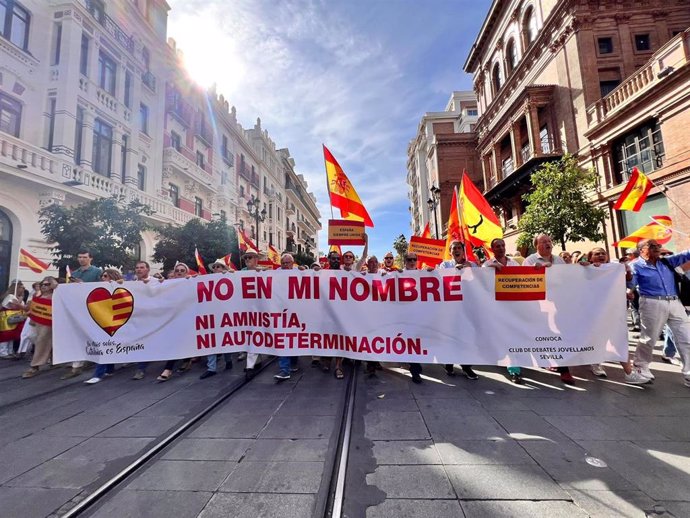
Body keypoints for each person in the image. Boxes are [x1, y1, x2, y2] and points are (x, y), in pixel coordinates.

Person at [628, 239, 690, 386]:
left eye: (658, 246)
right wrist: (628, 289)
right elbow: (630, 283)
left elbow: (687, 254)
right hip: (651, 302)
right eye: (653, 246)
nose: (658, 248)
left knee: (686, 337)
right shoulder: (635, 265)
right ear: (641, 250)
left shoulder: (667, 262)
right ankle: (640, 368)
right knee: (649, 338)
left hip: (675, 302)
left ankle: (689, 373)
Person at [523, 234, 576, 385]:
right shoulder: (530, 260)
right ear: (536, 246)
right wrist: (537, 271)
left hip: (559, 303)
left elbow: (568, 278)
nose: (548, 244)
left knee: (559, 333)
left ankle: (564, 369)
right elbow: (524, 280)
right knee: (545, 333)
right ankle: (548, 360)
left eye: (549, 241)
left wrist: (583, 268)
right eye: (543, 242)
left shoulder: (559, 260)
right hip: (540, 304)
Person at [483, 238, 524, 384]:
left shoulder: (514, 263)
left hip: (513, 307)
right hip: (496, 308)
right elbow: (479, 282)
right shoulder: (487, 264)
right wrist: (490, 269)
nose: (501, 248)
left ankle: (514, 369)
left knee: (511, 337)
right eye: (497, 246)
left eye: (502, 245)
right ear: (492, 249)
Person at [439, 241, 479, 380]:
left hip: (467, 307)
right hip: (451, 308)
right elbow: (440, 278)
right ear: (450, 252)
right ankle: (449, 364)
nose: (456, 250)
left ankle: (466, 366)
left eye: (459, 248)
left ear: (463, 250)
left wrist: (471, 269)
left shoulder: (472, 265)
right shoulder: (445, 265)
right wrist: (454, 271)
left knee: (466, 336)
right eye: (453, 248)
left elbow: (481, 280)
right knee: (451, 335)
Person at [62, 250, 103, 379]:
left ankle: (87, 360)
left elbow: (101, 288)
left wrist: (83, 285)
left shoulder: (97, 272)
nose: (81, 259)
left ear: (90, 258)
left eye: (84, 257)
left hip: (92, 307)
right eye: (79, 257)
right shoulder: (74, 273)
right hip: (78, 307)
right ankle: (78, 363)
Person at [84, 269, 125, 384]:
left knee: (104, 348)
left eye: (106, 276)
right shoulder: (98, 288)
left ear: (112, 277)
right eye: (102, 276)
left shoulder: (118, 287)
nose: (103, 278)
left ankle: (98, 374)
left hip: (115, 322)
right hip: (103, 322)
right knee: (106, 347)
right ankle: (109, 369)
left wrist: (118, 282)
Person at [156, 263, 194, 381]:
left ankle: (168, 369)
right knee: (176, 342)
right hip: (172, 318)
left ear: (186, 273)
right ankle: (186, 362)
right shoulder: (168, 285)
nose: (179, 272)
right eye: (177, 270)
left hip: (187, 318)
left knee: (180, 342)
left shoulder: (191, 282)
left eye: (182, 270)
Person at [22, 277, 58, 378]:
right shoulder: (38, 295)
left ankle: (35, 366)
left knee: (41, 341)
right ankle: (51, 354)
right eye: (42, 284)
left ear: (52, 285)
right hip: (35, 322)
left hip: (47, 323)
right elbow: (33, 308)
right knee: (31, 336)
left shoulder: (55, 296)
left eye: (47, 284)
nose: (43, 286)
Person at [274, 254, 301, 381]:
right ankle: (284, 370)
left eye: (287, 263)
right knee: (284, 340)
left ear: (293, 263)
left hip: (296, 312)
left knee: (294, 339)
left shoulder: (299, 272)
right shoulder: (276, 273)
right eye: (283, 263)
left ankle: (293, 363)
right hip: (281, 312)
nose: (285, 266)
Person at [242, 250, 264, 377]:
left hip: (259, 309)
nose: (247, 260)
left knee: (254, 334)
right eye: (246, 258)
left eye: (249, 257)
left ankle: (249, 366)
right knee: (252, 335)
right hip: (245, 309)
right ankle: (257, 360)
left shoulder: (263, 272)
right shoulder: (239, 273)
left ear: (256, 259)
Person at [131, 261, 153, 380]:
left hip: (153, 318)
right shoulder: (131, 284)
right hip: (137, 319)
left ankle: (142, 368)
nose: (139, 270)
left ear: (148, 269)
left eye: (142, 268)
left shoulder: (156, 281)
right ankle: (140, 367)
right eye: (137, 268)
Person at [0, 280, 28, 358]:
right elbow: (14, 306)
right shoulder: (10, 296)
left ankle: (10, 351)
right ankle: (3, 352)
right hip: (7, 318)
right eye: (22, 288)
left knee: (12, 335)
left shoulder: (17, 297)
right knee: (6, 335)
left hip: (15, 318)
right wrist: (20, 300)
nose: (23, 289)